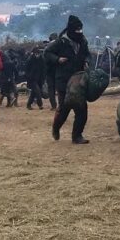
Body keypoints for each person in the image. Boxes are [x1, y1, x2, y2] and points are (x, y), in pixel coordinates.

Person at [47, 15, 91, 145]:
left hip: (79, 79)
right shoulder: (60, 42)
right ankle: (56, 127)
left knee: (82, 109)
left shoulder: (83, 41)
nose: (79, 33)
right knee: (65, 108)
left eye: (81, 30)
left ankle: (77, 136)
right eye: (77, 30)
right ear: (71, 30)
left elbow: (88, 54)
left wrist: (87, 61)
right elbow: (47, 53)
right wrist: (57, 60)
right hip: (63, 80)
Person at [25, 45, 46, 110]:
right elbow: (26, 69)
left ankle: (28, 105)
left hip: (39, 79)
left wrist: (43, 78)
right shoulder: (30, 59)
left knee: (33, 93)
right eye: (36, 53)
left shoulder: (42, 59)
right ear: (33, 53)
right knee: (38, 92)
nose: (37, 55)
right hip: (32, 79)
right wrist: (29, 77)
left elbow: (44, 69)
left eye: (38, 53)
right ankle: (40, 105)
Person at [44, 32, 59, 111]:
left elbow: (45, 60)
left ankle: (53, 105)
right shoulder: (60, 46)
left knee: (51, 89)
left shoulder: (47, 48)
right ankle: (61, 105)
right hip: (58, 70)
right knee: (59, 88)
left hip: (49, 70)